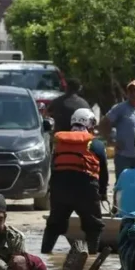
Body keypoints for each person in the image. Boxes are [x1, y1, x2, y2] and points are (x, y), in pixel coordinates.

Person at [41, 108, 108, 254]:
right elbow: (103, 172)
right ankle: (92, 256)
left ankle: (45, 253)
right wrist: (102, 193)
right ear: (90, 123)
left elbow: (53, 167)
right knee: (94, 226)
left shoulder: (59, 143)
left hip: (60, 189)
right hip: (86, 189)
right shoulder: (95, 144)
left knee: (54, 225)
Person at [99, 80, 135, 180]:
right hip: (123, 157)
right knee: (122, 183)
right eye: (130, 91)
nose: (133, 93)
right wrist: (110, 140)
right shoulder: (120, 108)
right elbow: (104, 123)